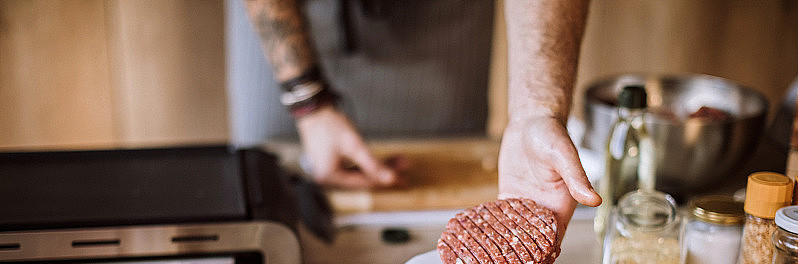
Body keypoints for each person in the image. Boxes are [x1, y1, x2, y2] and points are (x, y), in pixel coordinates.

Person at [238, 0, 601, 236]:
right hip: (288, 17)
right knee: (267, 195)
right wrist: (307, 101)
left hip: (440, 19)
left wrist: (535, 110)